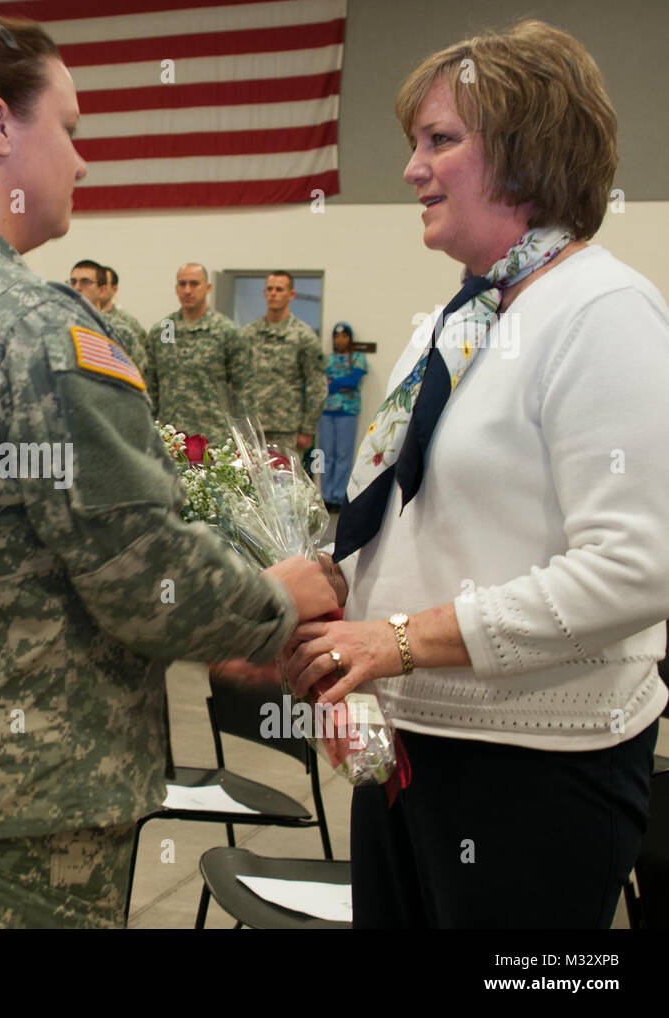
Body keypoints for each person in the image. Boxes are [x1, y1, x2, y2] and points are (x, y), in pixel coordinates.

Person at [0, 10, 337, 929]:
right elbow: (142, 572)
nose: (83, 162)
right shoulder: (33, 326)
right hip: (24, 807)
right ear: (1, 127)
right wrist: (274, 601)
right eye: (72, 128)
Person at [285, 20, 669, 928]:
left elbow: (637, 569)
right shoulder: (455, 319)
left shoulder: (604, 313)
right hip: (409, 750)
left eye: (440, 141)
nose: (412, 170)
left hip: (533, 770)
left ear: (530, 154)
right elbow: (418, 511)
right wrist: (334, 585)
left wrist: (400, 642)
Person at [144, 263, 243, 459]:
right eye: (182, 284)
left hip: (214, 439)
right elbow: (150, 387)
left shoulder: (226, 331)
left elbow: (243, 388)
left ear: (207, 288)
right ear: (176, 288)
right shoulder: (162, 331)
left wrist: (240, 438)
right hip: (170, 440)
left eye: (194, 284)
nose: (187, 290)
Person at [237, 271, 326, 453]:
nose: (273, 294)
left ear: (291, 294)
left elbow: (317, 386)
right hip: (251, 426)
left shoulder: (303, 335)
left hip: (285, 429)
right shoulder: (248, 333)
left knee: (282, 480)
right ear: (264, 293)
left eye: (279, 289)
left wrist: (307, 429)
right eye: (269, 289)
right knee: (246, 480)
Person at [316, 321, 366, 511]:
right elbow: (321, 382)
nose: (340, 339)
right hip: (326, 411)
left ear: (350, 338)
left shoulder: (358, 358)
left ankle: (338, 497)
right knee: (326, 454)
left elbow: (353, 381)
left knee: (343, 454)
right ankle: (326, 496)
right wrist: (339, 384)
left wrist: (334, 384)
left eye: (344, 336)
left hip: (347, 411)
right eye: (336, 336)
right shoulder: (326, 359)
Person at [67, 259, 145, 370]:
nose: (77, 288)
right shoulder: (63, 327)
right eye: (73, 282)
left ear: (102, 290)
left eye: (85, 282)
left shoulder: (120, 330)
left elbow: (138, 375)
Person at [98, 265, 148, 371]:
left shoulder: (128, 322)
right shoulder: (83, 319)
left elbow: (142, 360)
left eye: (104, 284)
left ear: (114, 289)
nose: (100, 288)